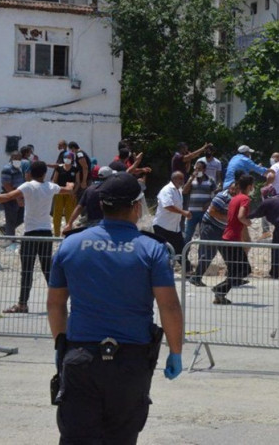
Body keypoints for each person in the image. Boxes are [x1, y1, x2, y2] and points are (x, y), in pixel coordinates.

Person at [47, 172, 183, 444]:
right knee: (121, 436)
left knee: (76, 437)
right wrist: (176, 351)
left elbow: (56, 303)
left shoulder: (71, 244)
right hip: (130, 361)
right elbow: (168, 306)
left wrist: (60, 345)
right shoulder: (151, 249)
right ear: (136, 207)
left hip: (80, 355)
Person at [0, 161, 74, 314]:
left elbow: (6, 197)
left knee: (27, 270)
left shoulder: (28, 186)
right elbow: (68, 190)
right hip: (46, 234)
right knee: (47, 270)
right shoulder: (51, 186)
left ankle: (22, 304)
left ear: (29, 173)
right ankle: (59, 303)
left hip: (31, 235)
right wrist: (71, 185)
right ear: (44, 173)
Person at [189, 171, 242, 287]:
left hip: (222, 229)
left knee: (228, 254)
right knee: (208, 254)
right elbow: (212, 211)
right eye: (233, 189)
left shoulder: (237, 199)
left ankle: (235, 278)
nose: (234, 191)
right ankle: (196, 278)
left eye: (236, 189)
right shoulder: (222, 196)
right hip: (210, 227)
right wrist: (229, 218)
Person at [212, 175, 256, 304]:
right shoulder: (245, 199)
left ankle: (219, 296)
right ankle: (219, 290)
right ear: (249, 186)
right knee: (245, 269)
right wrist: (247, 222)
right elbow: (241, 215)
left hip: (227, 237)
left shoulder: (234, 198)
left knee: (234, 270)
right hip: (232, 240)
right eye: (252, 185)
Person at [152, 172, 192, 260]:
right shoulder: (167, 190)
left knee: (181, 252)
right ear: (174, 179)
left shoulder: (179, 190)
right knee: (162, 253)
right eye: (180, 179)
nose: (182, 181)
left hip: (174, 228)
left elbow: (185, 190)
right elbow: (168, 206)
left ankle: (187, 272)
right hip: (162, 227)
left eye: (183, 179)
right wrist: (183, 213)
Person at [64, 166, 115, 232]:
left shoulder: (89, 189)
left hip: (91, 224)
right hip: (107, 225)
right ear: (109, 177)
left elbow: (79, 207)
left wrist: (69, 223)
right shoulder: (111, 189)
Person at [182, 160, 217, 243]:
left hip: (204, 212)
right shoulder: (191, 180)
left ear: (204, 170)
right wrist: (191, 179)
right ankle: (184, 254)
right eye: (196, 168)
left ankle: (202, 255)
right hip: (192, 212)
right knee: (188, 234)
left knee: (204, 235)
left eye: (200, 169)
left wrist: (209, 203)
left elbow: (215, 195)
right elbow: (184, 191)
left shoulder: (210, 180)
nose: (197, 171)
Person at [51, 152, 79, 236]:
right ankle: (56, 234)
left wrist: (74, 192)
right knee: (57, 213)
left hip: (70, 193)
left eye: (69, 158)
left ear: (72, 159)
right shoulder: (59, 168)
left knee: (69, 213)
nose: (68, 159)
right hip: (59, 193)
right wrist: (55, 190)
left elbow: (77, 182)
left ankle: (68, 233)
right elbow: (54, 180)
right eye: (66, 157)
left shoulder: (75, 169)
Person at [0, 151, 25, 236]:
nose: (17, 160)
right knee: (11, 220)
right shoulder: (7, 169)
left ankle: (5, 228)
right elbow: (6, 185)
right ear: (11, 158)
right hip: (10, 198)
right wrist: (16, 197)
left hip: (19, 196)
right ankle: (10, 240)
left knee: (21, 218)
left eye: (19, 159)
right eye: (15, 158)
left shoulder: (19, 168)